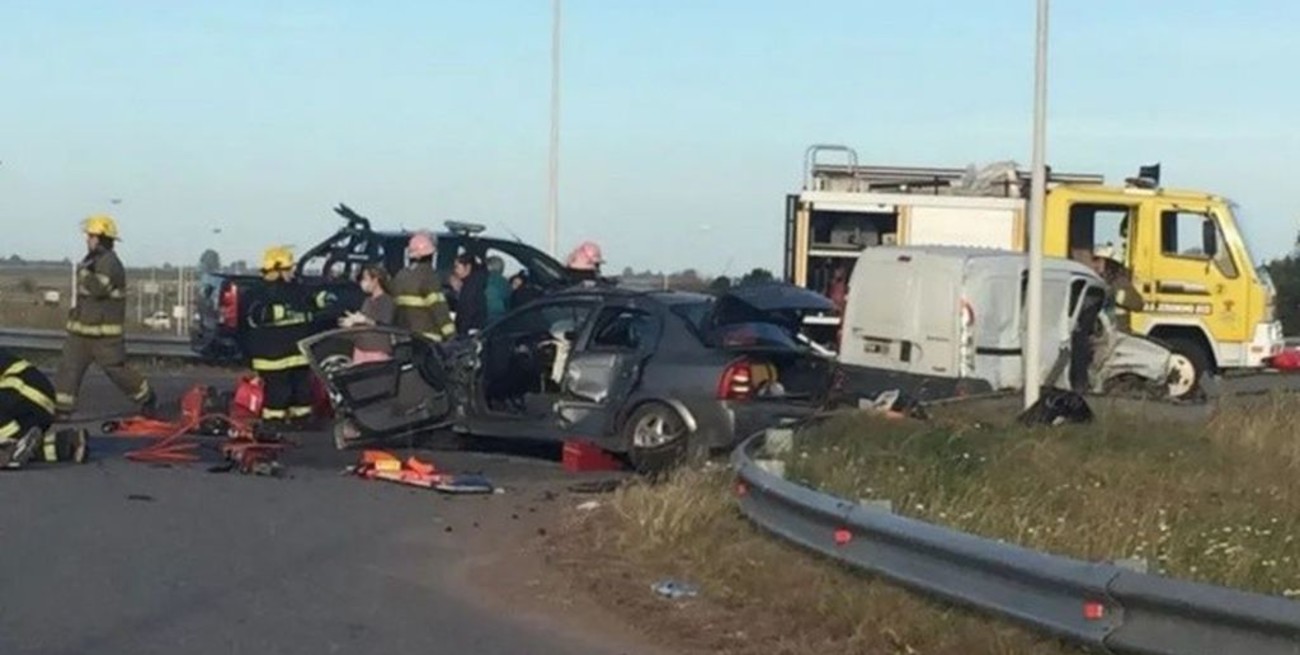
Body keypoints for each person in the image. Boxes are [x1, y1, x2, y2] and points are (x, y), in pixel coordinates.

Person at [54, 215, 156, 418]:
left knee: (116, 370)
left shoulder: (110, 263)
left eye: (91, 236)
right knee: (69, 367)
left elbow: (99, 289)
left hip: (104, 336)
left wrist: (83, 274)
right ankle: (62, 410)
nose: (88, 239)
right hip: (81, 332)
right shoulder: (92, 261)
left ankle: (146, 397)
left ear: (102, 238)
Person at [245, 246, 324, 430]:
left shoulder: (295, 288)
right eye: (289, 268)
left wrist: (322, 299)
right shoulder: (259, 292)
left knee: (302, 391)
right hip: (273, 357)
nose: (292, 271)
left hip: (297, 354)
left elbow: (309, 299)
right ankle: (274, 422)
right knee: (278, 393)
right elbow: (255, 316)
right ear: (278, 269)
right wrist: (278, 312)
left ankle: (302, 420)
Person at [1, 349, 87, 468]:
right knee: (28, 450)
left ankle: (11, 444)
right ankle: (69, 443)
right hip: (31, 408)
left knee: (14, 445)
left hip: (29, 394)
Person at [391, 232, 456, 343]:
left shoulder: (401, 275)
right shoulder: (428, 276)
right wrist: (452, 336)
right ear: (430, 255)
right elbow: (439, 309)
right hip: (427, 341)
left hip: (402, 338)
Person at [340, 265, 395, 364]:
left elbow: (384, 324)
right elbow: (362, 321)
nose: (363, 283)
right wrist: (352, 322)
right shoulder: (367, 300)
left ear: (375, 280)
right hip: (361, 349)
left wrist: (365, 320)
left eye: (365, 279)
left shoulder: (386, 301)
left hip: (376, 351)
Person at [453, 253, 487, 336]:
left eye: (457, 267)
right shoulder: (476, 281)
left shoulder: (471, 286)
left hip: (469, 329)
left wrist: (461, 332)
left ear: (467, 267)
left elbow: (467, 310)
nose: (455, 270)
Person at [484, 256, 510, 322]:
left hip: (485, 317)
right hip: (502, 319)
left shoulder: (484, 278)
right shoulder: (505, 282)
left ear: (489, 266)